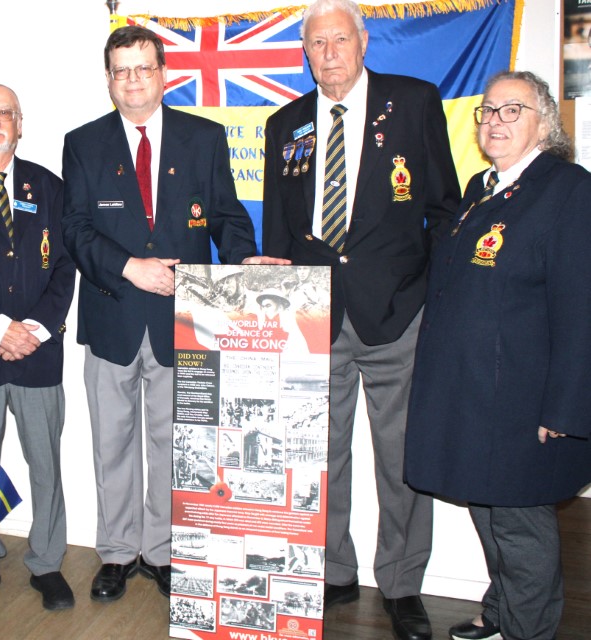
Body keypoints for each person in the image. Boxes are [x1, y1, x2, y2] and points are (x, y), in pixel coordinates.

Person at [62, 25, 288, 602]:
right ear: (109, 80)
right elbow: (76, 231)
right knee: (111, 444)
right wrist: (129, 267)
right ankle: (116, 553)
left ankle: (162, 552)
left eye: (143, 68)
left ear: (164, 74)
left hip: (183, 321)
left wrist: (243, 258)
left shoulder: (203, 139)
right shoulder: (83, 143)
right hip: (112, 317)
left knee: (173, 445)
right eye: (121, 70)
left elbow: (227, 217)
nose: (132, 80)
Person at [261, 1, 461, 639]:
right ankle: (334, 572)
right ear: (305, 51)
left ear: (363, 41)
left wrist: (431, 297)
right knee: (320, 458)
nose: (328, 53)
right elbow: (277, 230)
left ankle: (402, 584)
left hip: (397, 312)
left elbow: (444, 209)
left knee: (402, 458)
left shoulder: (415, 102)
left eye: (339, 40)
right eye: (316, 44)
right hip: (317, 314)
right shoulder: (283, 123)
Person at [405, 71, 591, 640]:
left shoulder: (568, 189)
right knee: (488, 511)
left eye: (512, 110)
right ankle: (503, 611)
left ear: (545, 123)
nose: (495, 121)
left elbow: (580, 304)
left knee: (519, 525)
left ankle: (528, 630)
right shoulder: (480, 187)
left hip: (523, 398)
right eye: (487, 111)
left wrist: (564, 409)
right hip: (472, 393)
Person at [0, 84, 76, 613]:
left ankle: (47, 562)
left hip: (39, 353)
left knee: (46, 463)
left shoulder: (50, 186)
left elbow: (67, 265)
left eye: (4, 113)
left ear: (21, 123)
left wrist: (36, 328)